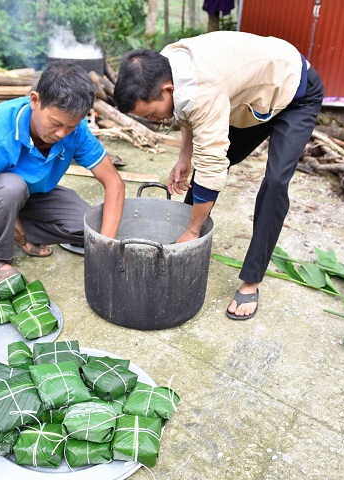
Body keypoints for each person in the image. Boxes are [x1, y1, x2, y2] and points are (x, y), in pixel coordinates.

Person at [114, 31, 324, 320]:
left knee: (274, 181)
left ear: (167, 90)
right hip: (247, 97)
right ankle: (185, 241)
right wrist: (184, 157)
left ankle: (250, 279)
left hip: (293, 89)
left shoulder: (202, 90)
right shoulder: (166, 65)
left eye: (151, 115)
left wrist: (192, 229)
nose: (154, 121)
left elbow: (211, 157)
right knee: (204, 165)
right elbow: (186, 110)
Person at [0, 61, 125, 309]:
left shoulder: (75, 131)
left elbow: (114, 183)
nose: (62, 134)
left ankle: (17, 230)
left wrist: (106, 246)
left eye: (71, 127)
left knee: (89, 226)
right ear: (35, 100)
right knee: (11, 187)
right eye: (56, 124)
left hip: (34, 195)